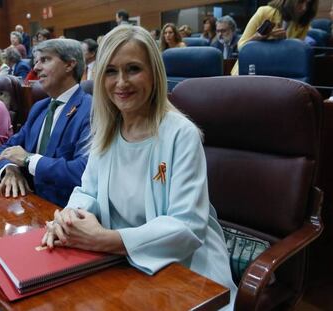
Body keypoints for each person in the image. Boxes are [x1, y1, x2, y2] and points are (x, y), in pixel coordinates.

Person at [41, 25, 237, 311]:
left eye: (133, 69)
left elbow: (187, 226)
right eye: (110, 71)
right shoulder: (106, 129)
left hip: (185, 268)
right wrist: (70, 218)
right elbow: (88, 191)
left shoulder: (181, 134)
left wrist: (105, 240)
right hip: (119, 261)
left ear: (154, 74)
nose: (121, 82)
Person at [0, 39, 91, 207]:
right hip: (29, 204)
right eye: (36, 61)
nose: (36, 68)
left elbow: (85, 172)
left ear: (69, 65)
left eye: (44, 60)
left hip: (64, 211)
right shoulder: (40, 107)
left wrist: (28, 160)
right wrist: (10, 168)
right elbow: (4, 149)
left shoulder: (91, 109)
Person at [231, 0, 318, 75]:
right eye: (301, 2)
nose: (304, 8)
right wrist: (258, 37)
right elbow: (242, 47)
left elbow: (296, 56)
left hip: (278, 73)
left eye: (308, 3)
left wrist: (284, 42)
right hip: (250, 69)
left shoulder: (303, 22)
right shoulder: (264, 12)